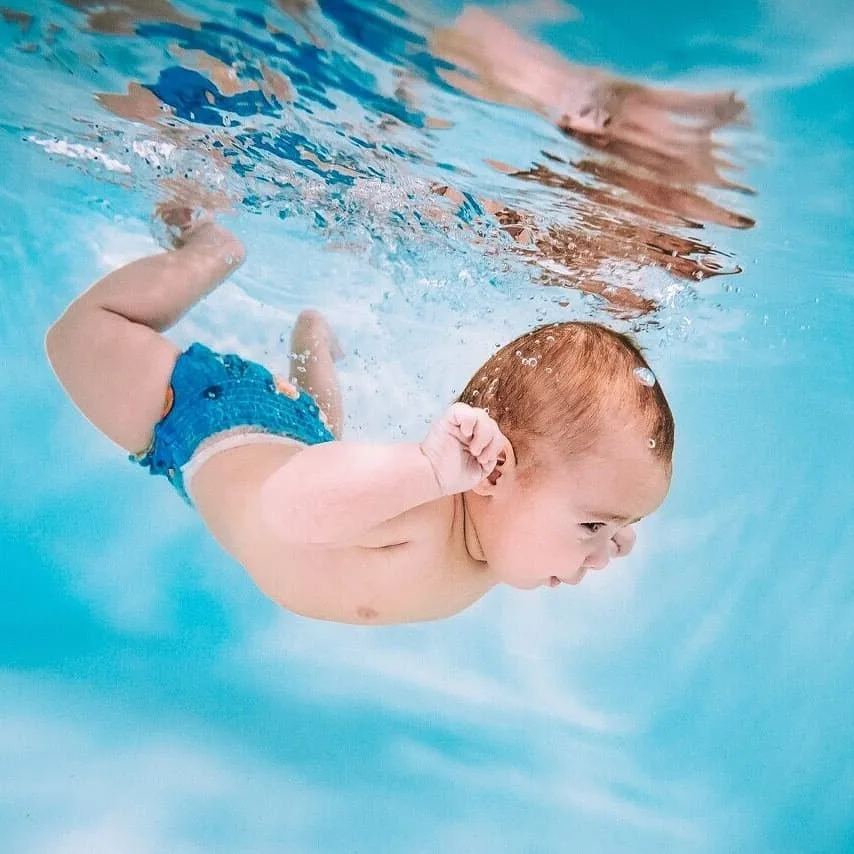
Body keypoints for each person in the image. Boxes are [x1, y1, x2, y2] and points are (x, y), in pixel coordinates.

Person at [45, 205, 674, 625]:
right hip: (205, 427)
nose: (608, 553)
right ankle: (209, 252)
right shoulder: (424, 508)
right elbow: (287, 507)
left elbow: (321, 471)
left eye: (622, 527)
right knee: (80, 337)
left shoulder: (496, 544)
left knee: (320, 433)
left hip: (297, 441)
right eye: (594, 525)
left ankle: (311, 343)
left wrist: (605, 522)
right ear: (493, 472)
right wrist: (426, 469)